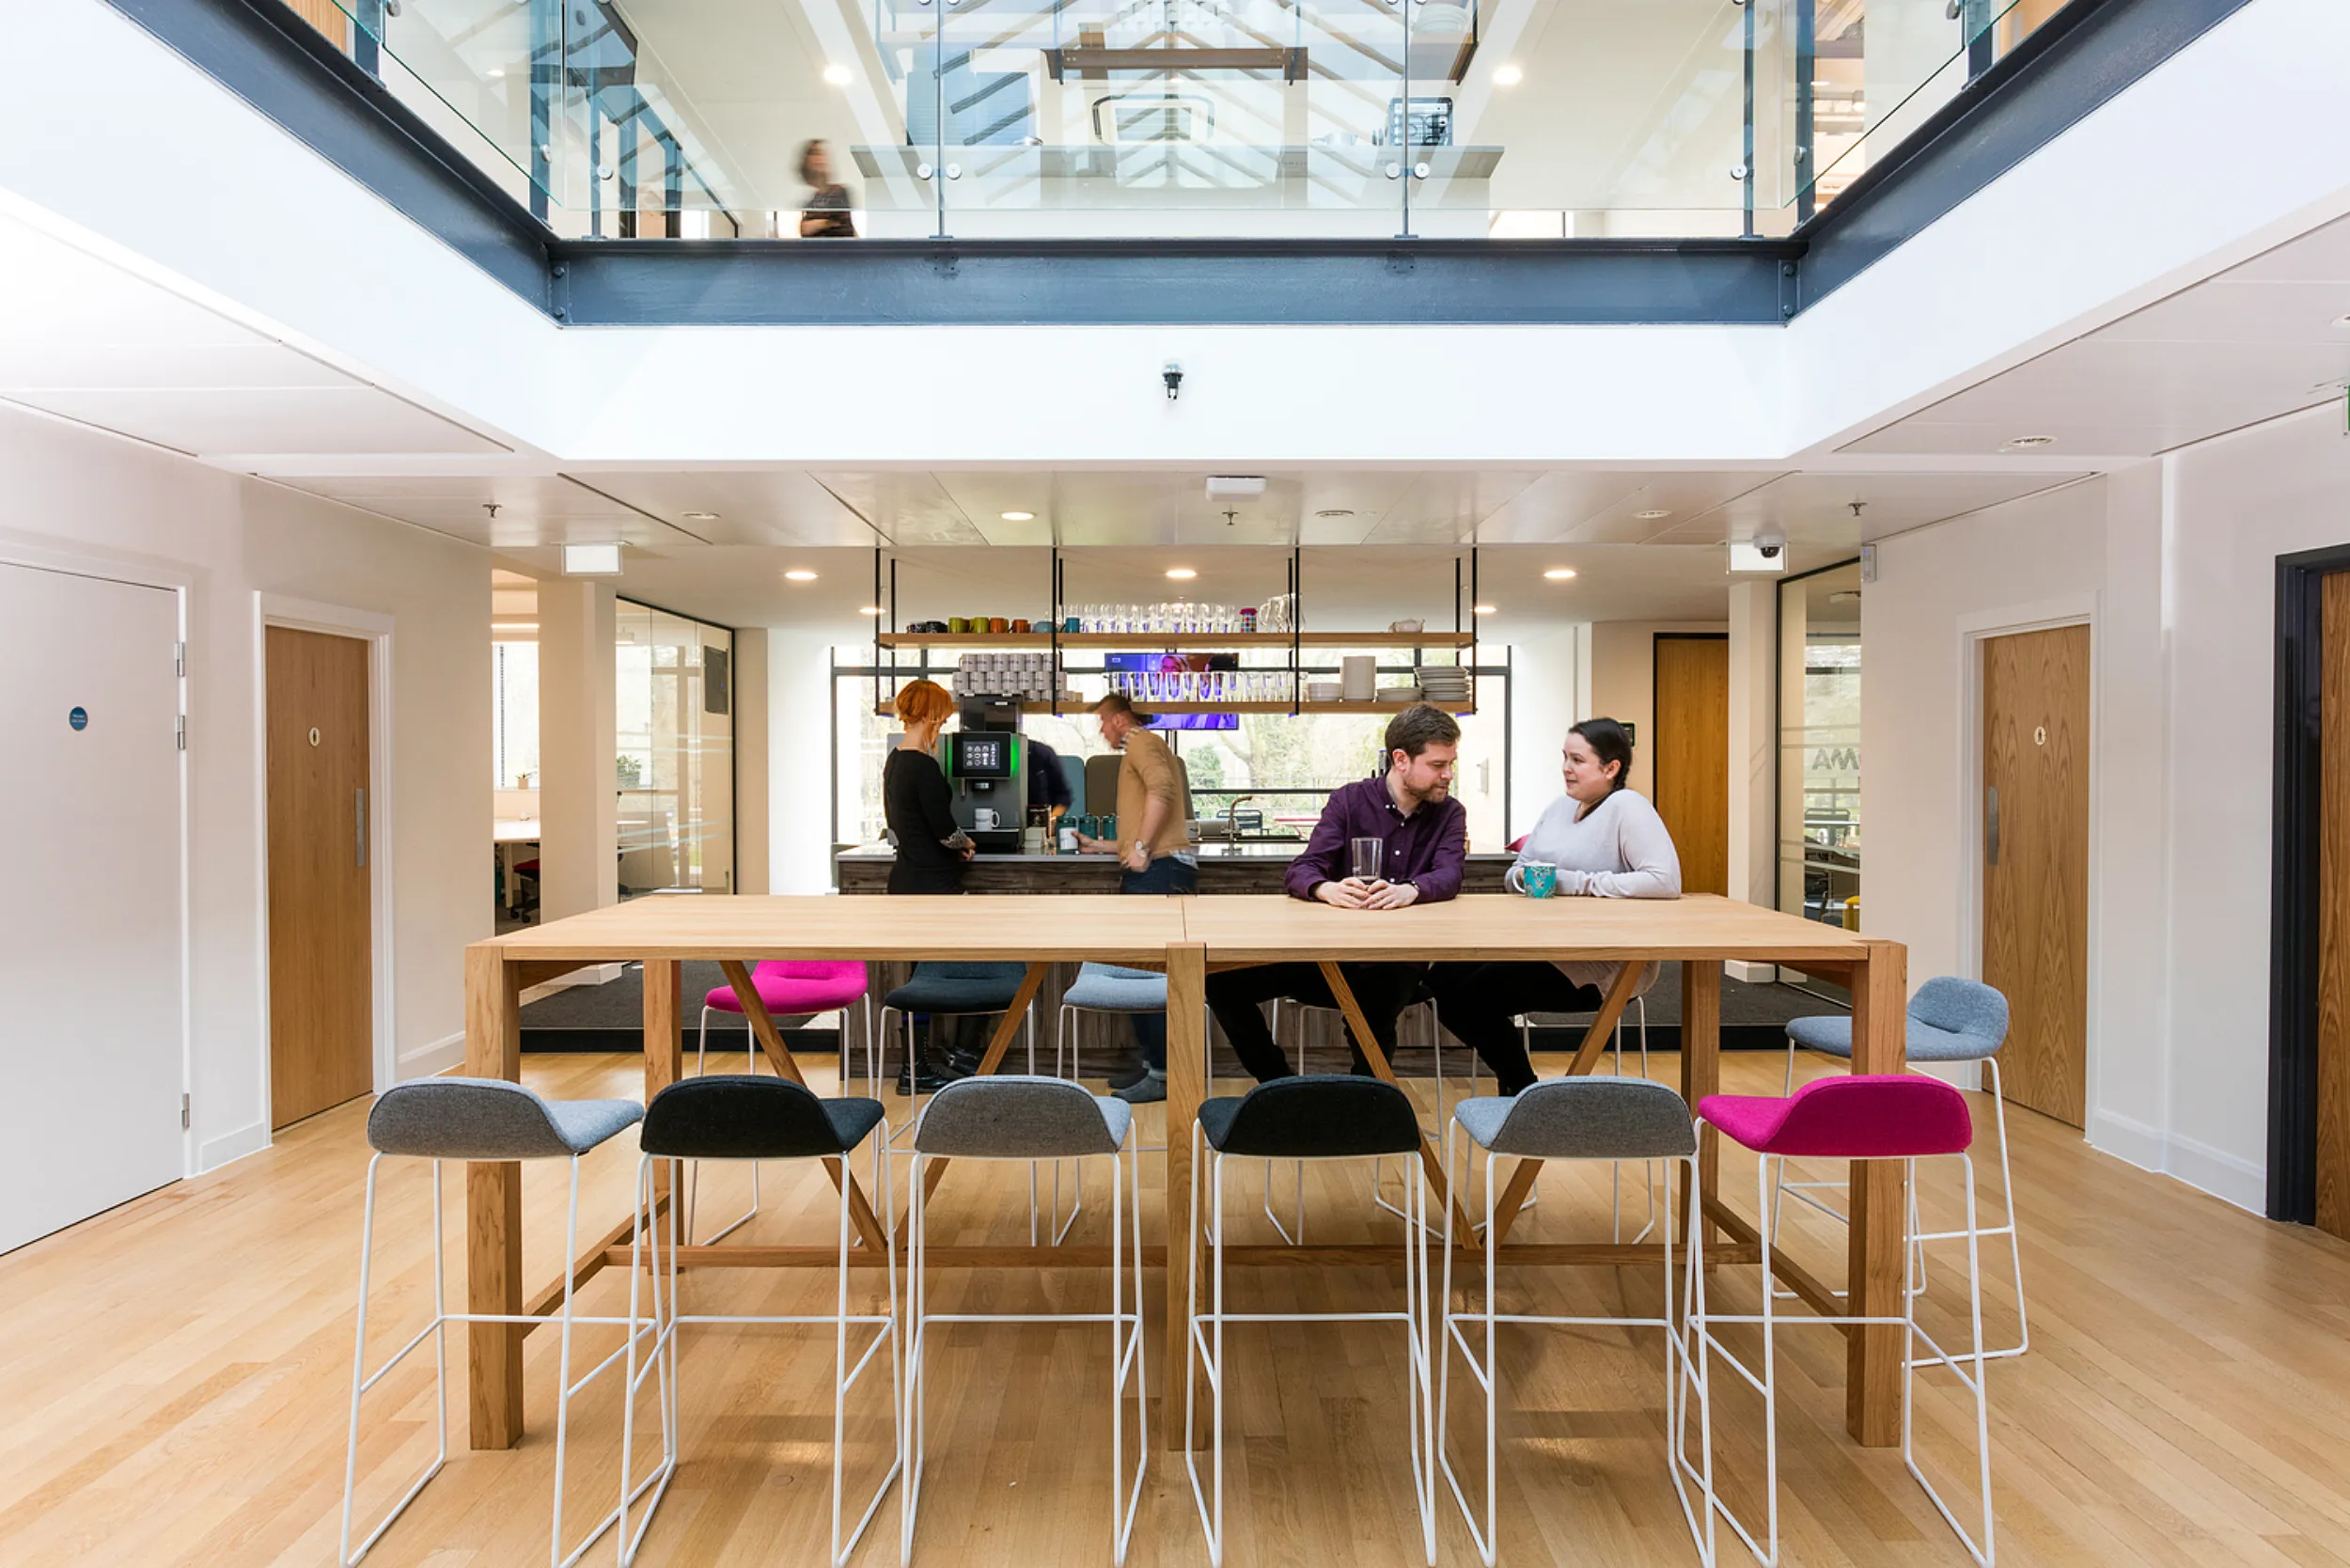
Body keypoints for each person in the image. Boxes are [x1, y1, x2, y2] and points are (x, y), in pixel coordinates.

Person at [1205, 703, 1466, 1083]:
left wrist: (1411, 890)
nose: (1448, 774)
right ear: (1401, 759)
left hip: (1397, 960)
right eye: (1439, 765)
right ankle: (1280, 1087)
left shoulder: (1450, 813)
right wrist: (1325, 888)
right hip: (1329, 957)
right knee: (1221, 983)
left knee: (1375, 1007)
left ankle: (1370, 1105)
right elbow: (1302, 869)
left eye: (1450, 764)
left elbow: (1451, 875)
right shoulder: (1349, 801)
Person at [1424, 716, 1681, 1095]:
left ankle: (1523, 1090)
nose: (1566, 768)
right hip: (1541, 945)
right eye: (1564, 757)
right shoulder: (1559, 809)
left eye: (1577, 760)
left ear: (1611, 768)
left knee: (1474, 997)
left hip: (1600, 960)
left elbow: (1665, 881)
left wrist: (1576, 883)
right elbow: (1519, 869)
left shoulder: (1628, 807)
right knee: (1440, 978)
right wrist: (1521, 879)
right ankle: (1520, 1088)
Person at [1075, 693, 1196, 1103]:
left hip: (1160, 869)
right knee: (1140, 970)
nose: (1102, 730)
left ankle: (1163, 1073)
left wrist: (1141, 848)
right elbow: (1147, 813)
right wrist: (1104, 845)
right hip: (1160, 864)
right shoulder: (1141, 747)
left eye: (1104, 722)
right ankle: (1153, 1065)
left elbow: (1161, 790)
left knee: (1150, 976)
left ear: (1121, 720)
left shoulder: (1142, 742)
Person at [881, 680, 973, 1090]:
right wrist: (966, 842)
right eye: (944, 712)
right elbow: (944, 831)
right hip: (935, 886)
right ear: (932, 714)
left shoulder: (895, 761)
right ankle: (956, 1057)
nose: (947, 719)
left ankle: (915, 1066)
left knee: (917, 978)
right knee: (973, 966)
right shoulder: (923, 764)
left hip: (905, 881)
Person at [799, 139, 857, 239]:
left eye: (821, 154)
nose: (819, 159)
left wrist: (819, 223)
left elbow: (839, 222)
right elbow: (804, 229)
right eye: (814, 154)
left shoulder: (840, 192)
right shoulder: (810, 201)